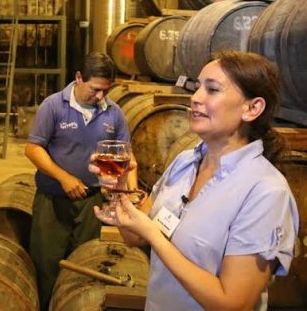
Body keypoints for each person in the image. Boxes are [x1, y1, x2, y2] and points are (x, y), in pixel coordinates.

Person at [94, 51, 299, 310]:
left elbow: (232, 304)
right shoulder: (186, 162)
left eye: (212, 90)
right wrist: (121, 186)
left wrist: (154, 237)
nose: (195, 98)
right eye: (196, 87)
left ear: (252, 108)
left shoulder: (265, 191)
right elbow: (136, 237)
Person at [25, 51, 137, 310]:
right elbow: (33, 149)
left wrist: (123, 189)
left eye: (105, 91)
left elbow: (127, 157)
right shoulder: (53, 106)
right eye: (95, 89)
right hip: (52, 201)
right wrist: (64, 178)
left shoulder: (114, 113)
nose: (100, 97)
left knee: (85, 264)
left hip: (92, 203)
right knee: (47, 264)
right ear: (78, 78)